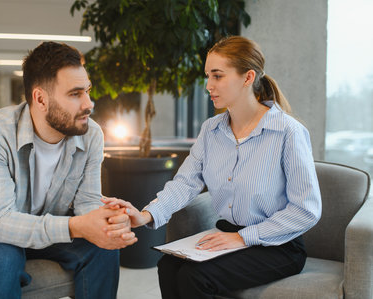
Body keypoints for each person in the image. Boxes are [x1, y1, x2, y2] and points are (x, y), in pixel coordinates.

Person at [103, 36, 322, 298]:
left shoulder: (288, 132)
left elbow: (306, 210)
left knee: (195, 277)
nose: (208, 85)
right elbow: (185, 183)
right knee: (168, 266)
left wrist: (244, 238)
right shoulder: (211, 130)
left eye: (217, 76)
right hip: (228, 233)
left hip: (278, 245)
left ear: (247, 77)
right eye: (208, 76)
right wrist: (146, 215)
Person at [0, 41, 137, 299]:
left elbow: (86, 202)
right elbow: (0, 223)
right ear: (40, 98)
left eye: (88, 91)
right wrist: (76, 226)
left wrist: (106, 221)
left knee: (103, 248)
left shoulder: (91, 134)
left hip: (48, 224)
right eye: (75, 94)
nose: (89, 104)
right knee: (4, 258)